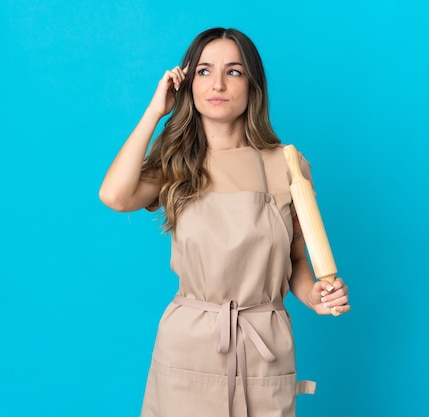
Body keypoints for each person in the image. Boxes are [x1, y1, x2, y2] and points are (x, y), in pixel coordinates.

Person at [99, 27, 350, 417]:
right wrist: (154, 110)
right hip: (189, 346)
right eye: (203, 71)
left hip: (263, 344)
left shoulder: (287, 165)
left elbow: (298, 262)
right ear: (187, 84)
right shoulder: (175, 164)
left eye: (233, 71)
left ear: (253, 85)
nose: (217, 83)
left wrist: (315, 297)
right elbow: (114, 196)